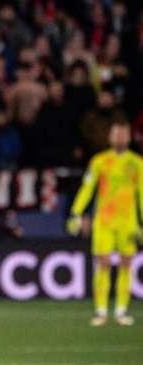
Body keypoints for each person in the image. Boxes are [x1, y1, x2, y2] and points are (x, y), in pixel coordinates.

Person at [67, 120, 143, 326]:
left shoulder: (137, 163)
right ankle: (101, 311)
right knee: (103, 263)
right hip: (104, 220)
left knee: (127, 264)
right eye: (116, 134)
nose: (120, 138)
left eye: (123, 134)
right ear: (110, 137)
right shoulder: (99, 161)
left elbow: (142, 195)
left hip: (128, 222)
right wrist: (76, 212)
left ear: (129, 137)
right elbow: (87, 188)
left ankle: (121, 310)